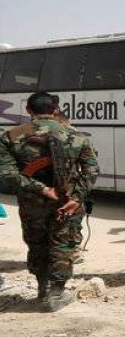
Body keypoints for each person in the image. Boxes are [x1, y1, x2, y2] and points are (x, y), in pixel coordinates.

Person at [0, 92, 99, 311]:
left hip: (32, 202)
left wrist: (42, 189)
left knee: (37, 242)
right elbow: (91, 170)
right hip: (67, 202)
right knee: (64, 243)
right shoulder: (77, 135)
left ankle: (42, 290)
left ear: (28, 110)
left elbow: (6, 174)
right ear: (55, 110)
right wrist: (76, 197)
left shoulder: (11, 136)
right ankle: (57, 293)